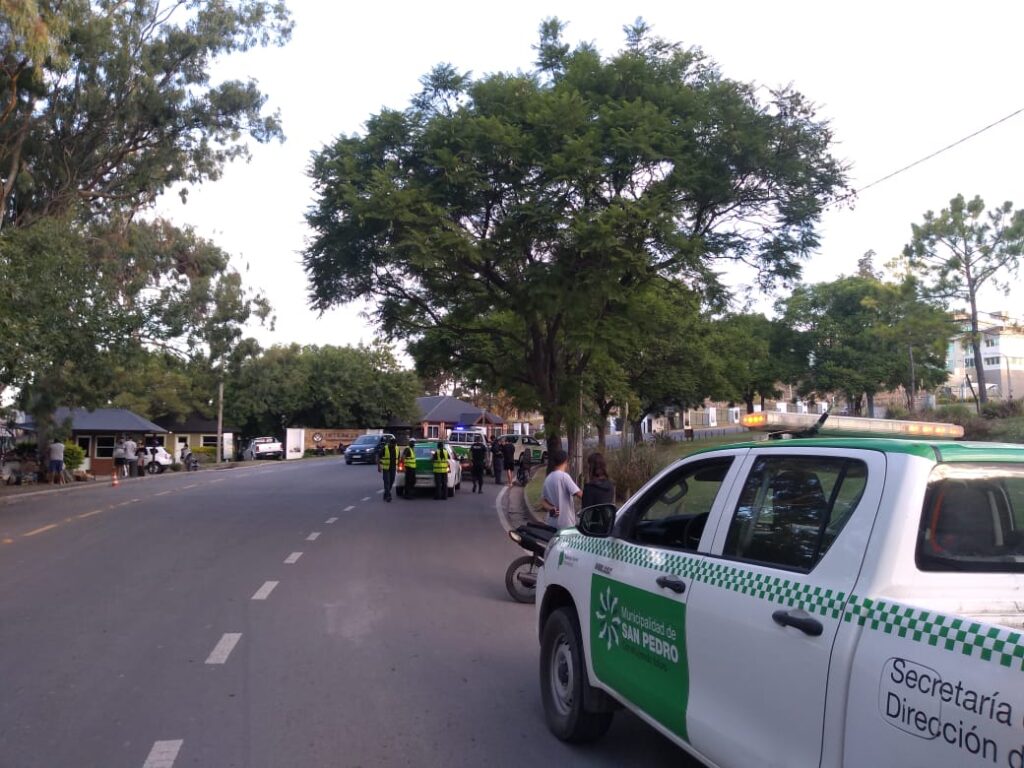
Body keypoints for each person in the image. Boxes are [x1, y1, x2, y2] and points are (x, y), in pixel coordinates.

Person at [540, 449, 583, 529]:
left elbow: (543, 501)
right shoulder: (564, 477)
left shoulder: (548, 478)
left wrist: (551, 508)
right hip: (565, 524)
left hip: (551, 523)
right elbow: (579, 494)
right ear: (566, 461)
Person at [378, 435, 398, 502]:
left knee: (392, 481)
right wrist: (379, 466)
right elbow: (379, 457)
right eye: (392, 444)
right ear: (390, 443)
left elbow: (398, 458)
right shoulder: (385, 448)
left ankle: (386, 493)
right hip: (386, 468)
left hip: (393, 468)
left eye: (394, 444)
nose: (393, 445)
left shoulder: (397, 449)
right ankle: (388, 496)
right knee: (387, 482)